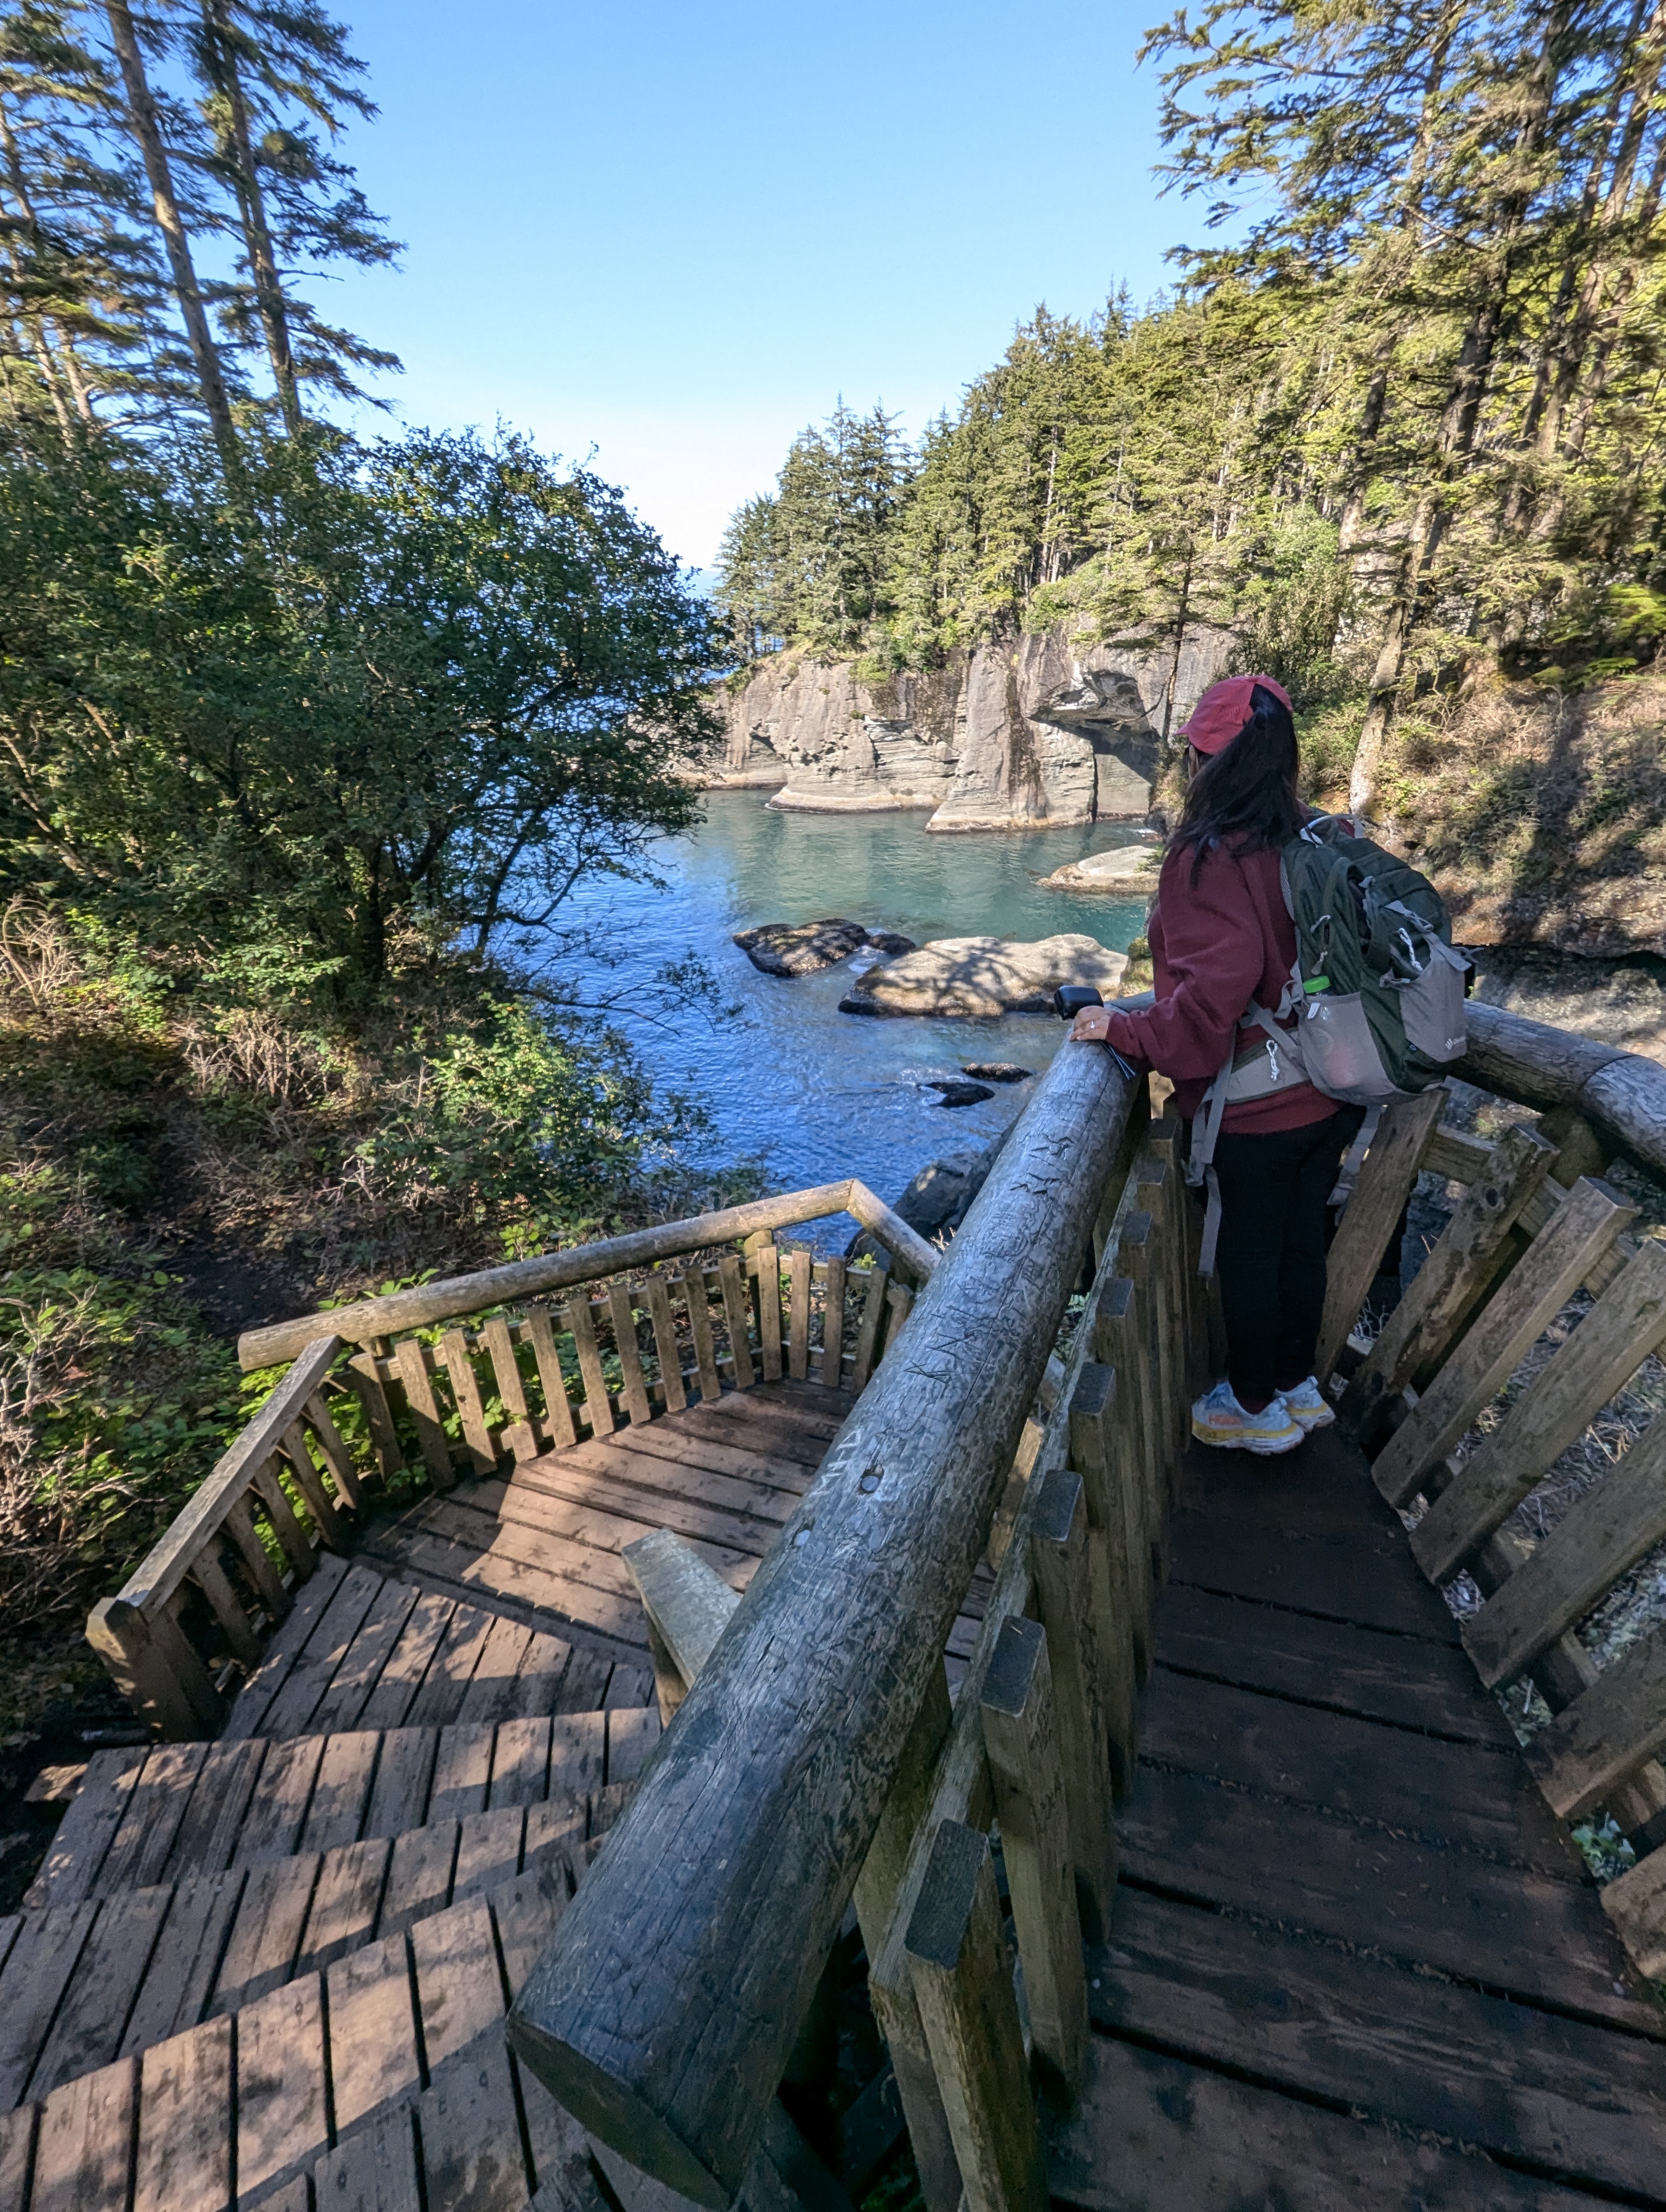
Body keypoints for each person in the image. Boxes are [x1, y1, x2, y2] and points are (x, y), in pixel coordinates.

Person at [1068, 673, 1361, 1456]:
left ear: (1208, 760)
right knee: (1304, 1240)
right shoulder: (1314, 835)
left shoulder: (1209, 857)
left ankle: (1255, 1408)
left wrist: (1117, 1030)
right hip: (1337, 1084)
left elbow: (1205, 1014)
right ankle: (1298, 1388)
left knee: (1251, 1255)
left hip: (1261, 1103)